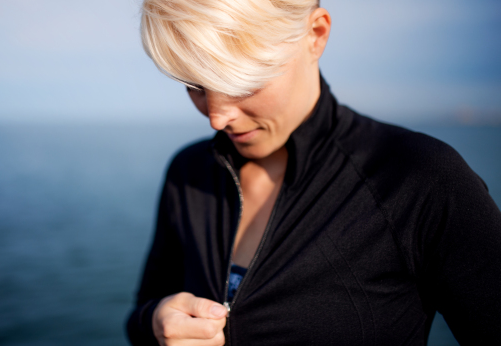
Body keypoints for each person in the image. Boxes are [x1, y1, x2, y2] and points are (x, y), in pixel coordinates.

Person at [126, 0, 501, 345]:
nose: (216, 116)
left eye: (241, 82)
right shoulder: (189, 172)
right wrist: (155, 322)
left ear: (315, 34)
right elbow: (145, 309)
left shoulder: (421, 179)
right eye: (195, 86)